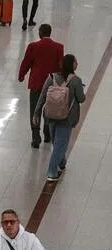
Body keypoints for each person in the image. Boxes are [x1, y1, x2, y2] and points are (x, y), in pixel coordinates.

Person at [35, 54, 85, 182]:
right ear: (72, 64)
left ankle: (62, 162)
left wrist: (37, 112)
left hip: (51, 115)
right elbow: (81, 99)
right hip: (66, 118)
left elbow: (43, 96)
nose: (77, 63)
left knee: (57, 142)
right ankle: (52, 172)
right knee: (60, 144)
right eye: (76, 61)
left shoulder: (51, 77)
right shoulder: (76, 80)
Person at [18, 24, 64, 148]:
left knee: (35, 109)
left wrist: (21, 75)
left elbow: (26, 62)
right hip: (52, 85)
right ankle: (47, 133)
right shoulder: (59, 47)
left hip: (36, 83)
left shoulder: (33, 46)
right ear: (50, 33)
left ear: (40, 33)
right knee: (49, 108)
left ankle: (36, 135)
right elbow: (61, 66)